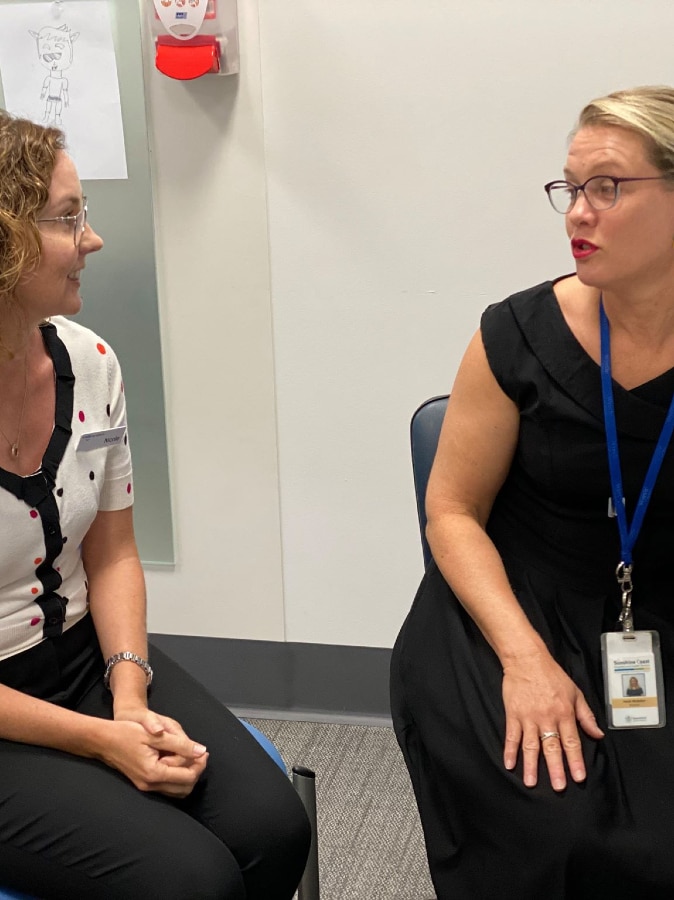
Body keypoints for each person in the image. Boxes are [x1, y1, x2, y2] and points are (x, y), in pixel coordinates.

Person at [0, 111, 310, 899]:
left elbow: (111, 554)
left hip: (82, 662)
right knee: (192, 881)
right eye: (69, 218)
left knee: (275, 830)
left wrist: (128, 695)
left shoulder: (89, 361)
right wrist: (104, 743)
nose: (93, 240)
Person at [391, 85, 674, 900]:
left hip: (651, 619)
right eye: (570, 188)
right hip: (512, 614)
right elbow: (451, 511)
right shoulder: (515, 335)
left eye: (607, 188)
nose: (576, 214)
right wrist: (526, 661)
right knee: (565, 834)